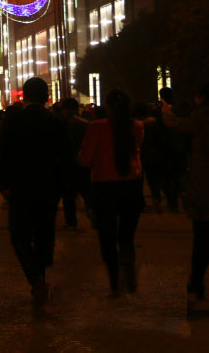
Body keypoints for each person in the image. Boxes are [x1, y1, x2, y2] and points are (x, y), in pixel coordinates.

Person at [0, 77, 72, 308]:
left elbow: (2, 154)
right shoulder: (57, 122)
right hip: (49, 188)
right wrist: (64, 187)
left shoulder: (13, 120)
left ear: (25, 96)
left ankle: (36, 279)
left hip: (20, 188)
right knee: (44, 234)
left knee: (19, 236)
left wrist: (3, 184)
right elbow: (66, 157)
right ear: (47, 97)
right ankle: (40, 277)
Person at [78, 88, 144, 297]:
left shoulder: (96, 127)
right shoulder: (137, 126)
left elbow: (85, 159)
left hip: (105, 187)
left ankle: (114, 280)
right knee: (127, 235)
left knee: (107, 237)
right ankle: (128, 266)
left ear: (107, 107)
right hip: (131, 185)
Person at [180, 82, 209, 305]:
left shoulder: (200, 117)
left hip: (203, 189)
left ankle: (197, 281)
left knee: (201, 240)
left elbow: (176, 125)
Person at [60, 98, 92, 229]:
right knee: (87, 192)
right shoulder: (85, 124)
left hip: (66, 163)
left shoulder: (61, 123)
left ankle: (71, 221)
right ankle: (93, 213)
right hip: (83, 162)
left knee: (68, 196)